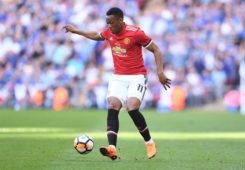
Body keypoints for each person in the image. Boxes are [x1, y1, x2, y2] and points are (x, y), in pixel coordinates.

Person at [64, 7, 171, 160]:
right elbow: (96, 35)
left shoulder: (135, 33)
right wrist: (76, 31)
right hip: (118, 76)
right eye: (107, 23)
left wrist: (160, 72)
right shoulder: (109, 31)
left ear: (121, 20)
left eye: (111, 23)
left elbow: (157, 50)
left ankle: (149, 142)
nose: (109, 26)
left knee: (132, 107)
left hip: (137, 76)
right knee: (113, 105)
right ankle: (112, 148)